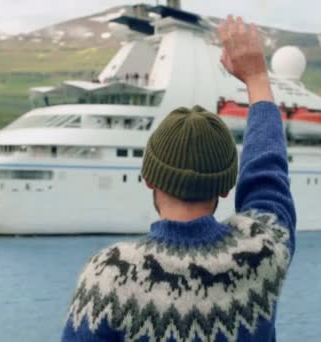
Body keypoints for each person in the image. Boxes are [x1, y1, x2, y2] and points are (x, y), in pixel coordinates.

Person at [61, 15, 296, 342]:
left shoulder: (110, 275)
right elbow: (267, 175)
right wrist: (256, 77)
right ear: (226, 187)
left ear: (148, 179)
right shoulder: (261, 251)